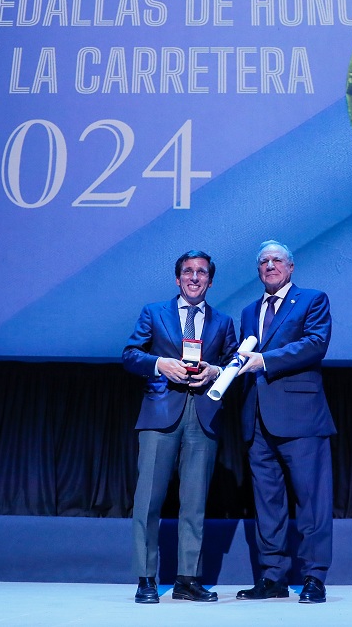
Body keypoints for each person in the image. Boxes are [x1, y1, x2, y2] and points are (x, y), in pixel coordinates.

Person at [122, 250, 238, 604]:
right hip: (160, 413)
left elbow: (234, 363)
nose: (194, 277)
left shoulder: (223, 322)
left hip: (203, 415)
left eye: (201, 272)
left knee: (194, 503)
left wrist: (216, 371)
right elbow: (130, 354)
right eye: (188, 271)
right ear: (178, 278)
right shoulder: (154, 312)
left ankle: (188, 579)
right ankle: (146, 579)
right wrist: (160, 363)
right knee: (148, 500)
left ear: (210, 281)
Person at [235, 240, 335, 604]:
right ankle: (273, 577)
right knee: (267, 504)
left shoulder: (312, 300)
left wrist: (265, 360)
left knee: (312, 502)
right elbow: (242, 359)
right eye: (264, 261)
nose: (270, 265)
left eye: (277, 260)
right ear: (258, 270)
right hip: (257, 419)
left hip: (302, 417)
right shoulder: (249, 311)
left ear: (291, 267)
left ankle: (314, 576)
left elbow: (315, 343)